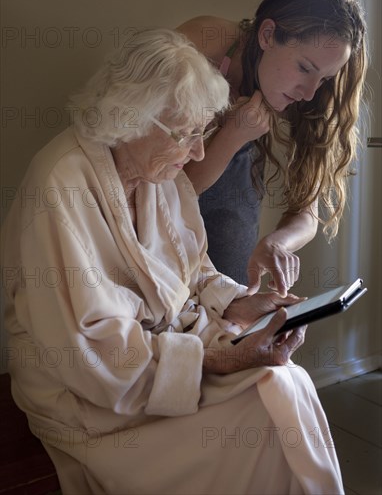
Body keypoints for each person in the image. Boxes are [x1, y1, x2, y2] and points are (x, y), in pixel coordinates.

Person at [2, 28, 344, 494]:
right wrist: (220, 359)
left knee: (287, 382)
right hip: (93, 396)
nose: (199, 152)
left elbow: (194, 267)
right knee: (267, 406)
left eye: (202, 132)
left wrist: (238, 304)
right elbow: (90, 353)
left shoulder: (155, 169)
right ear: (132, 117)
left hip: (169, 354)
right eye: (187, 135)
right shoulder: (61, 185)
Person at [177, 0, 368, 292]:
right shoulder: (196, 48)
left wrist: (279, 243)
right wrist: (232, 135)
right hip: (165, 191)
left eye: (323, 78)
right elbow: (166, 195)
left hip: (228, 197)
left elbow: (307, 211)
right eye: (305, 68)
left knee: (231, 308)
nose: (309, 91)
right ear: (267, 35)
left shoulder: (311, 94)